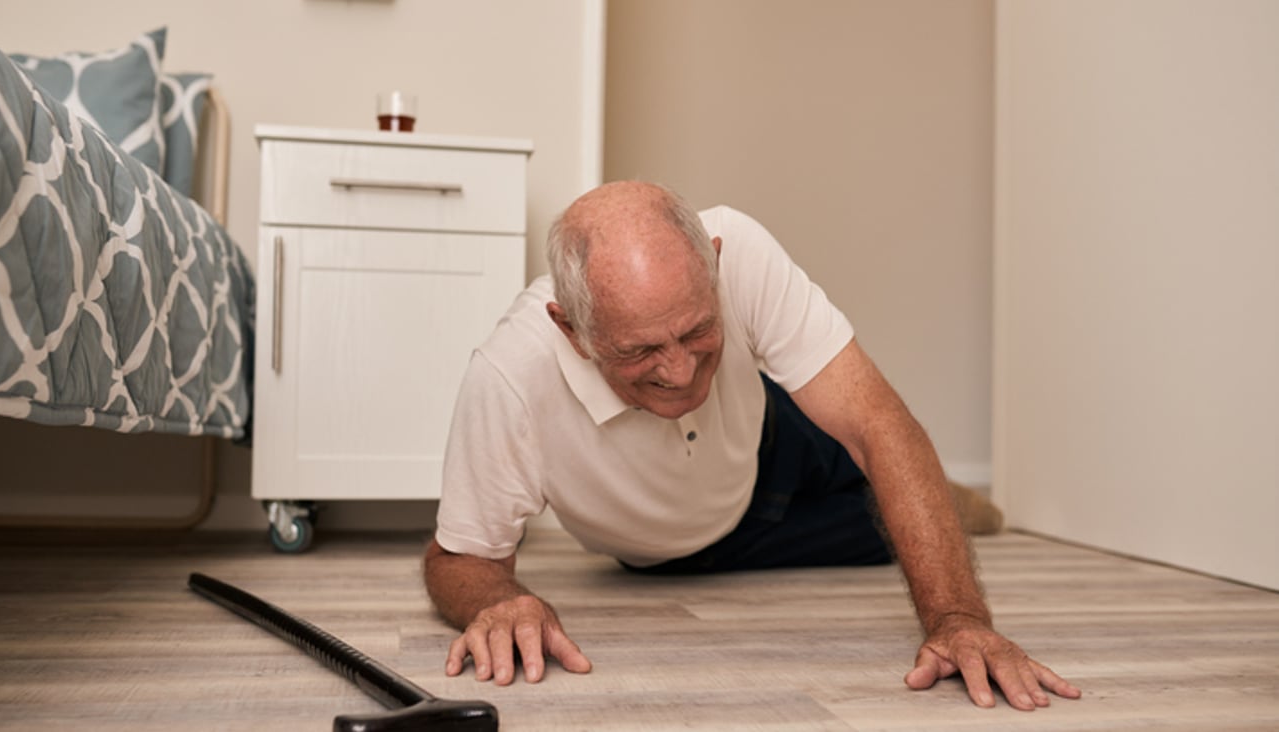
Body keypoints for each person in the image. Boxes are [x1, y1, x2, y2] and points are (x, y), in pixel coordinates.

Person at [423, 181, 1081, 711]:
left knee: (881, 466)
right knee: (881, 531)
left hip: (775, 431)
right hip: (694, 550)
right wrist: (496, 601)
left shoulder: (739, 246)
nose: (681, 374)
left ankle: (951, 502)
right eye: (641, 351)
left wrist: (959, 617)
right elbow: (459, 557)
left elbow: (879, 425)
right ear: (571, 330)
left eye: (698, 332)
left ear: (713, 263)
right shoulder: (508, 377)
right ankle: (947, 506)